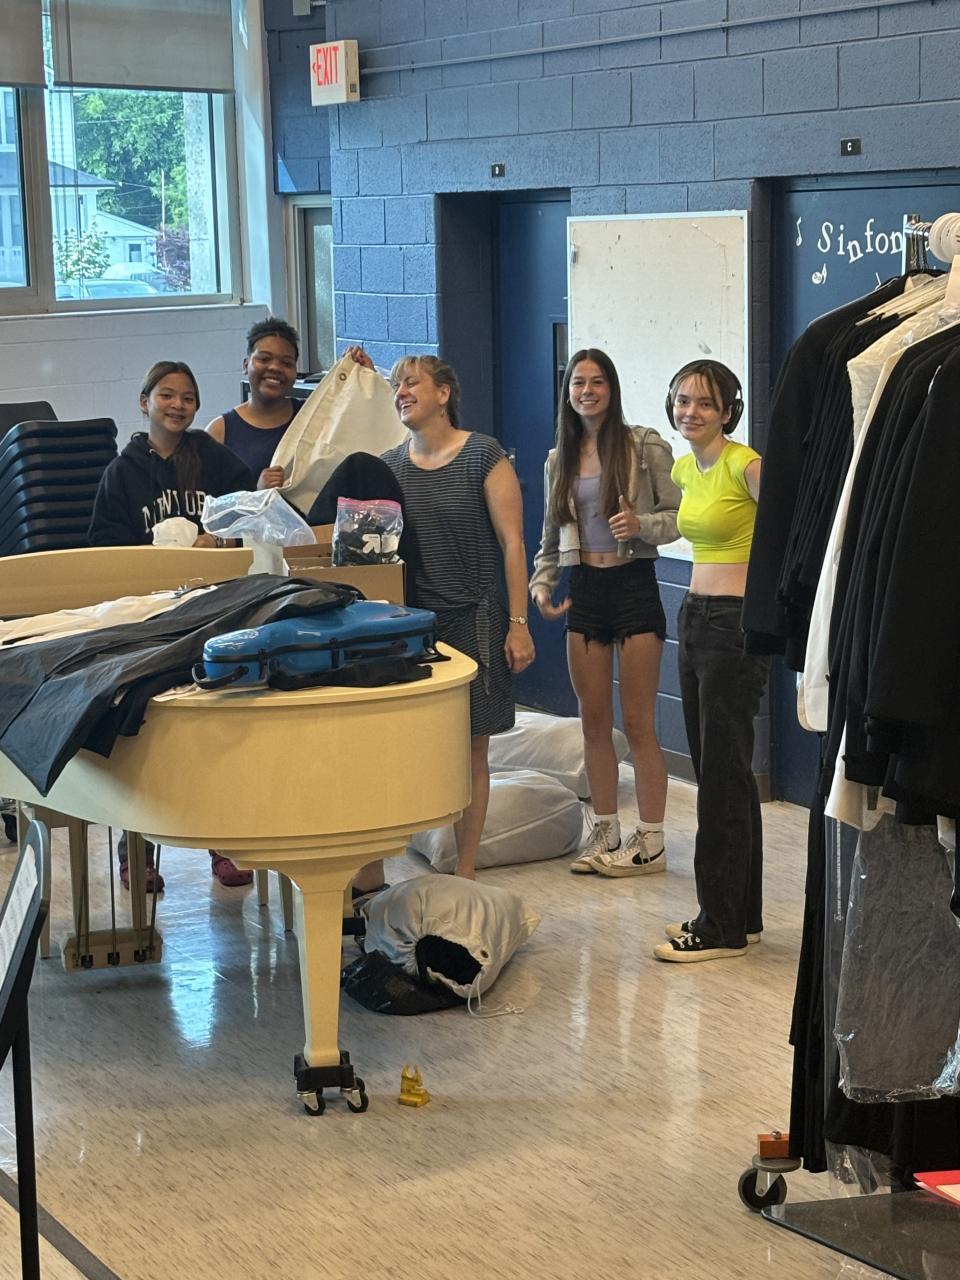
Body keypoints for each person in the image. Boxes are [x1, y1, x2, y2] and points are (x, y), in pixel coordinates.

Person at [89, 360, 256, 890]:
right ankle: (135, 851)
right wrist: (152, 560)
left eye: (187, 397)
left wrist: (220, 540)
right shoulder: (121, 473)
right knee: (142, 735)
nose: (178, 405)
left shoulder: (213, 459)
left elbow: (253, 512)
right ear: (145, 402)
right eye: (166, 395)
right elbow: (103, 550)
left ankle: (224, 843)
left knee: (218, 732)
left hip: (212, 614)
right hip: (149, 620)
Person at [375, 352, 536, 880]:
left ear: (444, 394)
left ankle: (465, 869)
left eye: (411, 383)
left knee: (472, 748)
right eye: (396, 386)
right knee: (410, 746)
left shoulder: (482, 455)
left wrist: (518, 624)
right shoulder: (390, 467)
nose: (401, 392)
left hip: (477, 618)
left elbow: (513, 544)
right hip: (415, 627)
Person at [530, 348, 680, 877]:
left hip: (634, 585)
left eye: (596, 382)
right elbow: (550, 535)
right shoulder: (559, 459)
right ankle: (605, 831)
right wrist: (542, 585)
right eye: (578, 383)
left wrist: (641, 526)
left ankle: (651, 841)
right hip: (586, 589)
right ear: (567, 392)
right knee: (593, 721)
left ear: (611, 389)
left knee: (638, 722)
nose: (587, 391)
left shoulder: (644, 446)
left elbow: (679, 515)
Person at [652, 360, 769, 963]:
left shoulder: (745, 465)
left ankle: (718, 926)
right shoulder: (684, 468)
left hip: (734, 624)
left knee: (722, 778)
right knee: (723, 772)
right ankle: (741, 916)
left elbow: (790, 532)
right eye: (682, 400)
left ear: (728, 411)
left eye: (704, 402)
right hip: (694, 616)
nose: (690, 411)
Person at [206, 318, 303, 489]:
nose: (275, 368)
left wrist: (356, 371)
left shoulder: (310, 416)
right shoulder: (219, 432)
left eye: (286, 363)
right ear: (246, 365)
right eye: (264, 359)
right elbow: (206, 500)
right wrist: (256, 494)